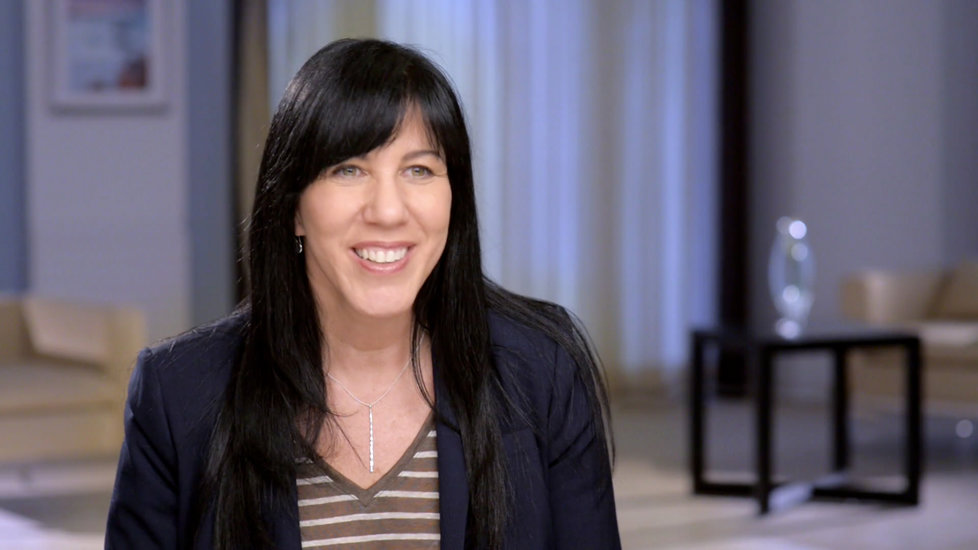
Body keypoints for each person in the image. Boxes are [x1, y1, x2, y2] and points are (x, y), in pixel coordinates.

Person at [105, 38, 620, 549]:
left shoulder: (541, 371)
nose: (388, 211)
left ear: (454, 199)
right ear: (293, 207)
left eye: (419, 170)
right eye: (349, 170)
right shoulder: (179, 393)